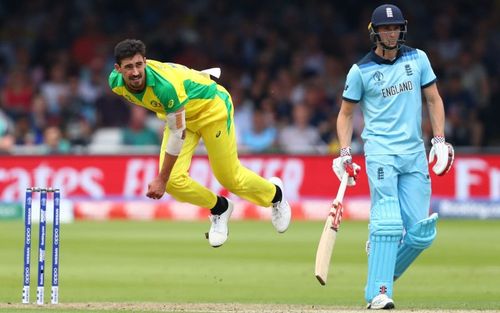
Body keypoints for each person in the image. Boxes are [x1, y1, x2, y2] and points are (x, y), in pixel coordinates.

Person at [108, 39, 291, 248]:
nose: (135, 72)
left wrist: (160, 178)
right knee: (174, 182)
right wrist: (165, 179)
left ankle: (275, 195)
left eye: (139, 65)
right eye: (128, 67)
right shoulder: (116, 83)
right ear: (118, 69)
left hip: (212, 109)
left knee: (229, 178)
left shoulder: (164, 86)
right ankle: (220, 208)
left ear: (146, 62)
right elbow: (177, 124)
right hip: (181, 115)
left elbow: (178, 134)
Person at [332, 4, 454, 310]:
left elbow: (433, 98)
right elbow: (345, 115)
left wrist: (439, 139)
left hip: (414, 154)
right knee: (388, 223)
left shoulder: (418, 58)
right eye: (386, 28)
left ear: (403, 28)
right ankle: (379, 292)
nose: (392, 32)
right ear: (374, 32)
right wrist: (344, 152)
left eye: (396, 27)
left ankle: (379, 265)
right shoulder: (360, 71)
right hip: (381, 152)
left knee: (421, 234)